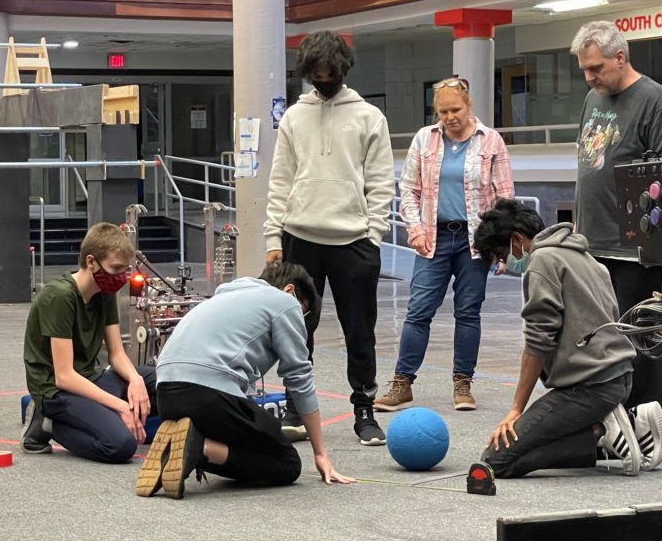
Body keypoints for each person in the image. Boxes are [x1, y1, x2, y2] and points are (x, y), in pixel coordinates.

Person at [264, 30, 395, 447]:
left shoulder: (368, 116)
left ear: (342, 70)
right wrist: (273, 237)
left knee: (360, 331)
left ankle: (364, 410)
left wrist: (373, 234)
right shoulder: (294, 117)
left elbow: (380, 181)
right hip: (299, 237)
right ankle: (295, 407)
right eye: (315, 76)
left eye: (329, 74)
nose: (322, 81)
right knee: (297, 329)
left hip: (354, 240)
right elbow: (280, 180)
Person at [473, 198, 662, 478]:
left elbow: (538, 342)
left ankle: (603, 433)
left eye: (503, 257)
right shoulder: (582, 254)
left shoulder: (541, 261)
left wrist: (516, 409)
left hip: (590, 387)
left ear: (517, 239)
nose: (505, 265)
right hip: (620, 377)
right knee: (536, 438)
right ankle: (622, 428)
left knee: (496, 460)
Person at [136, 263, 353, 500]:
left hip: (167, 394)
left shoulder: (223, 298)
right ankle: (199, 447)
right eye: (303, 314)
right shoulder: (285, 302)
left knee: (249, 434)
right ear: (290, 290)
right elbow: (299, 377)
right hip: (208, 393)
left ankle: (183, 445)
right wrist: (320, 453)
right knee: (287, 463)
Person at [570, 20, 662, 470]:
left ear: (621, 57)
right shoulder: (592, 98)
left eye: (596, 68)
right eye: (584, 69)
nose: (590, 77)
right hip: (593, 243)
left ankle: (650, 420)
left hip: (636, 249)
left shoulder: (654, 99)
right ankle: (613, 421)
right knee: (603, 341)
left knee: (643, 338)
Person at [374, 77, 514, 413]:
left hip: (474, 242)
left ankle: (463, 384)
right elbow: (408, 189)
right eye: (442, 111)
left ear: (469, 106)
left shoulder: (491, 141)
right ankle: (402, 383)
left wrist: (502, 246)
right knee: (418, 312)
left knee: (468, 312)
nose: (449, 117)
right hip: (433, 238)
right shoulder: (425, 139)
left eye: (455, 110)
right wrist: (415, 228)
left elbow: (504, 197)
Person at [21, 222, 154, 463]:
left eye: (125, 269)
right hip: (57, 391)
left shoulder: (105, 293)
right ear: (91, 262)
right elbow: (64, 376)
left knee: (161, 381)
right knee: (120, 445)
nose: (121, 278)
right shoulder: (59, 296)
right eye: (116, 268)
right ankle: (48, 424)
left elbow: (116, 354)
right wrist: (121, 406)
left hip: (92, 379)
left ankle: (107, 413)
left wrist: (135, 380)